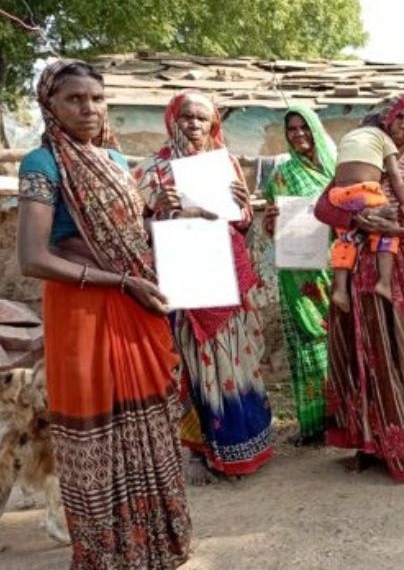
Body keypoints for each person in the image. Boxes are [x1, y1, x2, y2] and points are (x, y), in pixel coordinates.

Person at [17, 59, 191, 567]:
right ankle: (109, 553)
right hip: (84, 311)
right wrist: (121, 281)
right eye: (74, 99)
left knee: (147, 421)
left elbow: (130, 231)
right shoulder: (42, 163)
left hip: (135, 305)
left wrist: (168, 208)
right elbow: (33, 258)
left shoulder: (114, 159)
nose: (88, 108)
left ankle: (155, 544)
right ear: (50, 105)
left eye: (96, 98)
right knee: (96, 430)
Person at [136, 90, 273, 483]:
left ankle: (250, 444)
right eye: (186, 117)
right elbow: (136, 231)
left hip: (225, 272)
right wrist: (161, 209)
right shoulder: (152, 170)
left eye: (202, 119)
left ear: (213, 124)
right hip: (186, 275)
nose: (194, 125)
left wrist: (244, 207)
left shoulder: (224, 161)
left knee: (239, 361)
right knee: (196, 361)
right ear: (172, 120)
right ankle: (207, 450)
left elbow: (240, 222)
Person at [314, 94, 404, 482]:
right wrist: (362, 221)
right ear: (385, 120)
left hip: (397, 277)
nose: (402, 126)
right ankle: (364, 442)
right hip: (352, 275)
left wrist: (399, 230)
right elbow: (323, 209)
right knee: (357, 352)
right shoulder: (359, 163)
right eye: (397, 118)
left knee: (396, 355)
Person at [262, 105, 336, 445]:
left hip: (335, 268)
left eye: (304, 127)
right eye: (291, 129)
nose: (298, 135)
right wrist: (272, 222)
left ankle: (343, 417)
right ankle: (315, 423)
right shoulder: (281, 174)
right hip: (297, 272)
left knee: (339, 340)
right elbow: (269, 229)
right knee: (307, 344)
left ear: (315, 129)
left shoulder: (336, 169)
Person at [326, 111, 404, 311]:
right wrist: (403, 203)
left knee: (345, 239)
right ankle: (384, 282)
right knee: (387, 229)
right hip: (364, 192)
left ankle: (340, 290)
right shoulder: (383, 138)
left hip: (339, 195)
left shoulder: (349, 137)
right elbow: (394, 174)